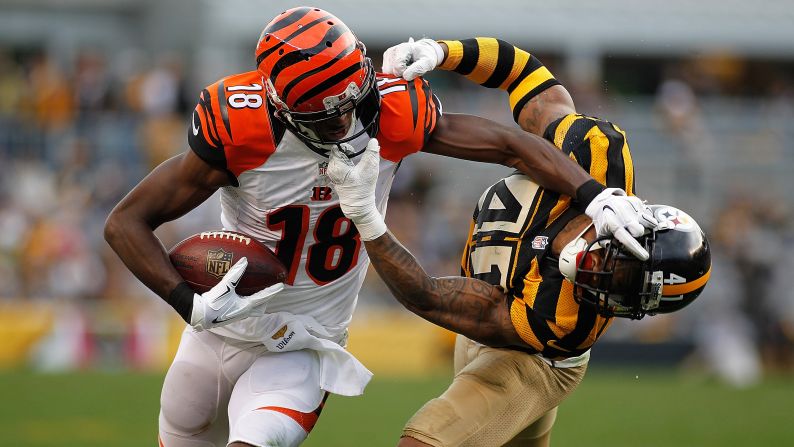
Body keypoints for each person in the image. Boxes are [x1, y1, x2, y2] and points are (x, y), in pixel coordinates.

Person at [104, 10, 651, 446]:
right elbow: (125, 222)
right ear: (283, 106)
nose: (350, 120)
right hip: (218, 328)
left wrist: (595, 195)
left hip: (306, 340)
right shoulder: (238, 127)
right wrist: (187, 301)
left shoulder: (390, 111)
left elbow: (510, 143)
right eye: (330, 115)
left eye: (354, 99)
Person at [315, 36, 712, 446]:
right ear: (638, 222)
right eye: (629, 267)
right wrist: (444, 52)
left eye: (627, 293)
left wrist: (365, 215)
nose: (611, 281)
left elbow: (429, 297)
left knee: (424, 440)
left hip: (531, 361)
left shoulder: (566, 320)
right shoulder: (595, 154)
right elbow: (524, 75)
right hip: (487, 333)